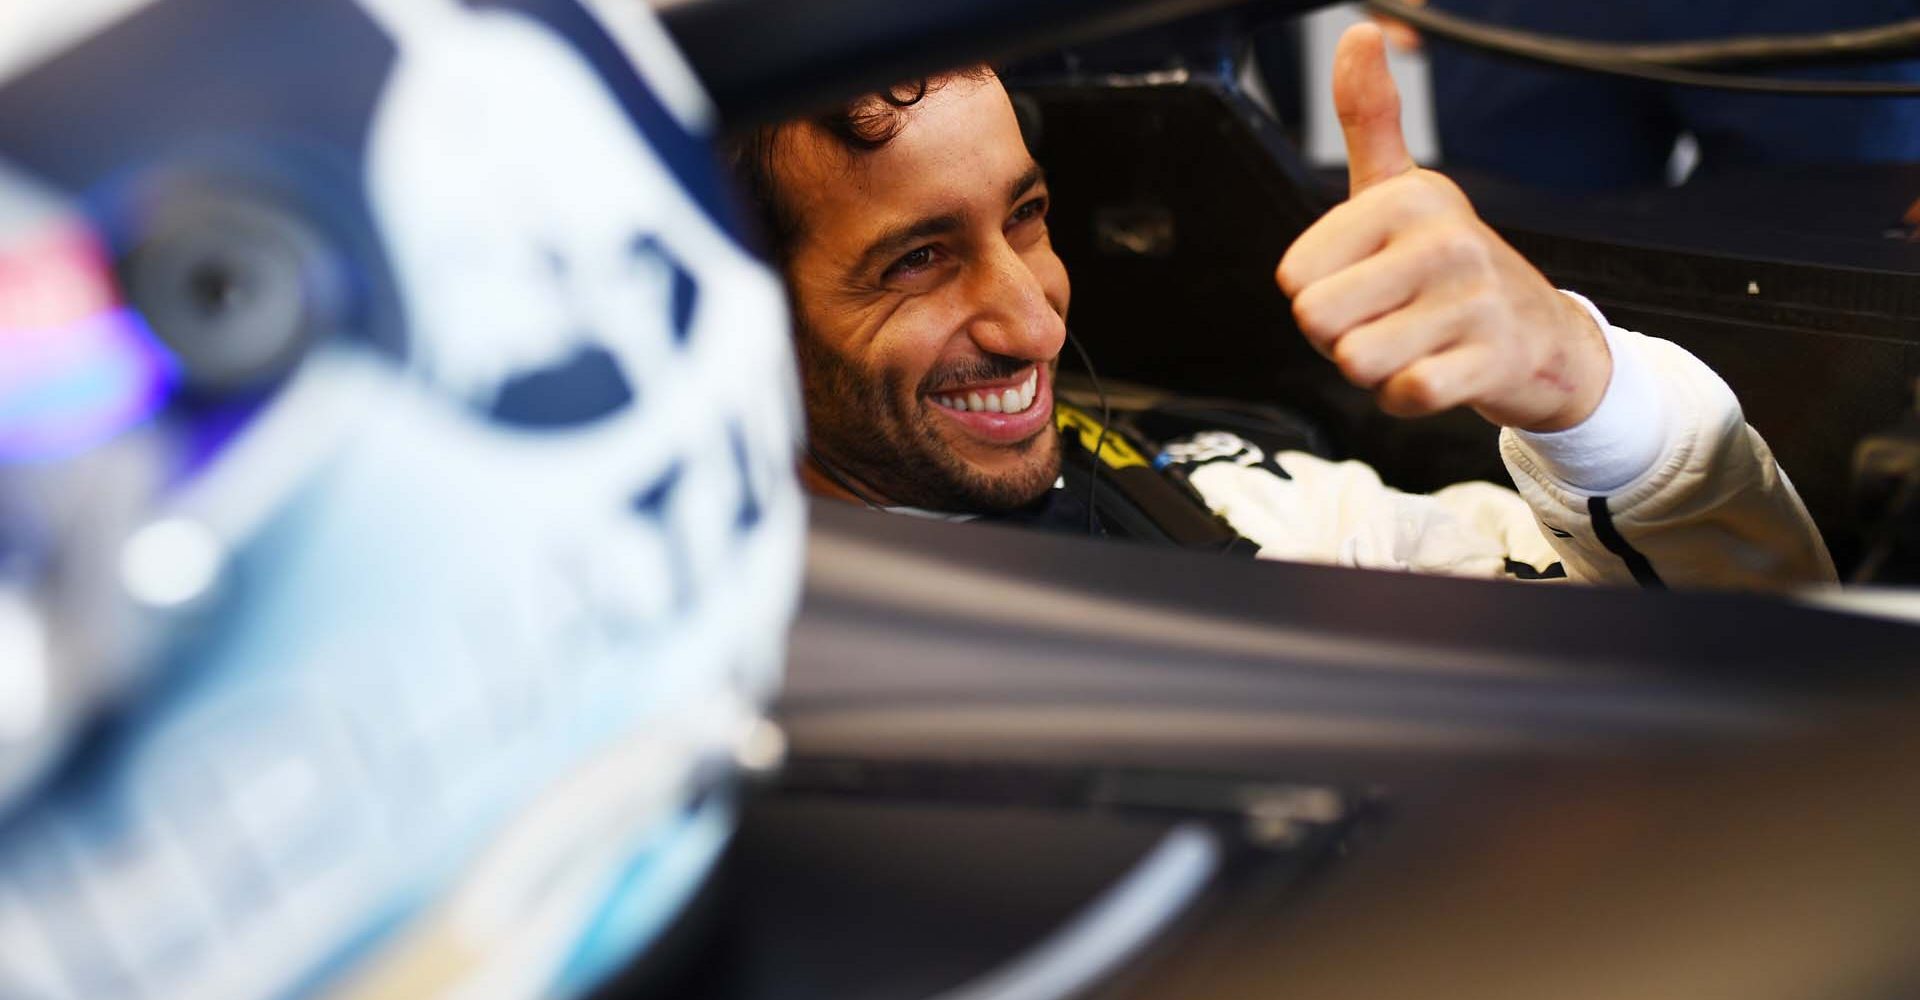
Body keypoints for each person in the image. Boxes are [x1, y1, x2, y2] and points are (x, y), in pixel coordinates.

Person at [731, 22, 1836, 587]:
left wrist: (1585, 396)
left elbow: (1768, 674)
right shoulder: (635, 651)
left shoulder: (1245, 515)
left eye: (1025, 216)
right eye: (917, 259)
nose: (1037, 323)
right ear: (735, 314)